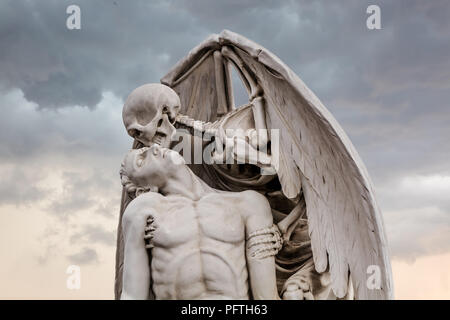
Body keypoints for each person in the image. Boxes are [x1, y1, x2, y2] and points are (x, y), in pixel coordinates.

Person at [119, 145, 282, 299]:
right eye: (141, 160)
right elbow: (132, 296)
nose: (154, 148)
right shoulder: (144, 210)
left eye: (148, 149)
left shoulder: (249, 203)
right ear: (145, 190)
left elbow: (266, 296)